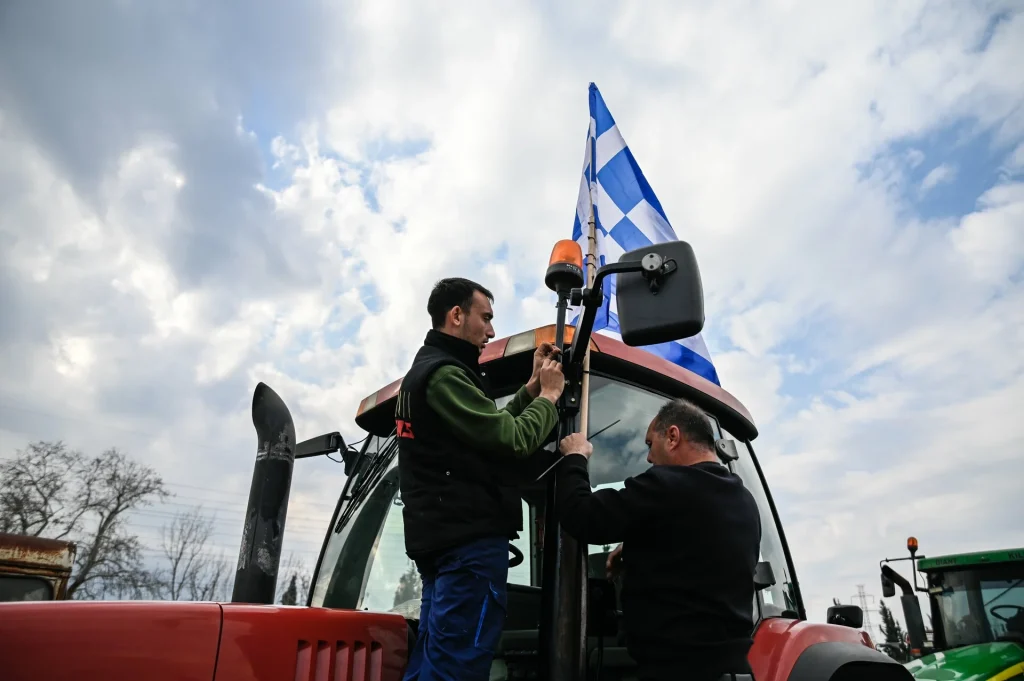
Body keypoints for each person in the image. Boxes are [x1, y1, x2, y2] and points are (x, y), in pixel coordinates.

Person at [397, 277, 565, 681]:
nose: (490, 331)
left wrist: (529, 386)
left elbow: (490, 430)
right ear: (457, 315)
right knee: (456, 669)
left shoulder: (430, 374)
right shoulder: (445, 376)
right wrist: (550, 397)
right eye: (485, 318)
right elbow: (514, 441)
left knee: (433, 663)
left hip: (444, 545)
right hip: (468, 547)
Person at [556, 398, 762, 681]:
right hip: (731, 670)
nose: (649, 458)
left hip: (673, 670)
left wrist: (574, 457)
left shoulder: (667, 485)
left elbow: (581, 516)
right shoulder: (744, 502)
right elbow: (698, 545)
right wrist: (634, 543)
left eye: (650, 444)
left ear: (673, 436)